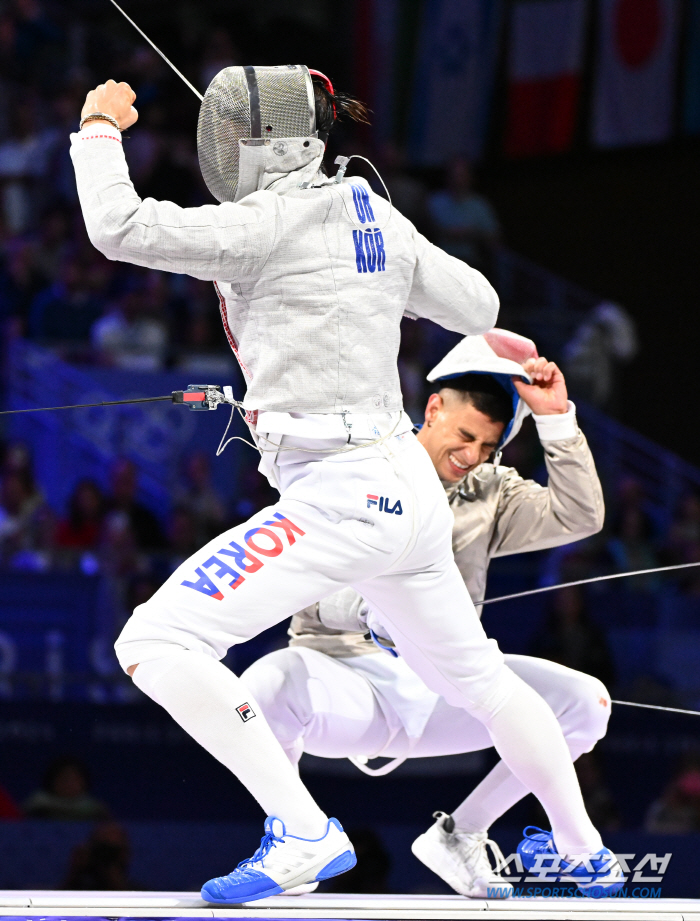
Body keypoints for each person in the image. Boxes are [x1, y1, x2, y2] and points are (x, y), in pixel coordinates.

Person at [70, 71, 616, 901]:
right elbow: (479, 301)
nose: (215, 149)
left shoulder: (265, 220)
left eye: (225, 134)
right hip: (405, 488)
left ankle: (301, 828)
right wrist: (384, 276)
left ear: (263, 142)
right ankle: (585, 851)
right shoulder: (374, 213)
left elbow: (117, 226)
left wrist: (99, 128)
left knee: (155, 640)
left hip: (346, 490)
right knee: (485, 682)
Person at [242, 330, 615, 897]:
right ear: (434, 409)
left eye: (488, 449)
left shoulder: (490, 493)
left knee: (584, 704)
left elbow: (580, 515)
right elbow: (310, 581)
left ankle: (462, 835)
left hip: (449, 690)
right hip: (346, 684)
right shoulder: (356, 471)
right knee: (263, 686)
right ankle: (296, 838)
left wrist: (557, 418)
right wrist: (378, 610)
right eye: (465, 438)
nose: (471, 458)